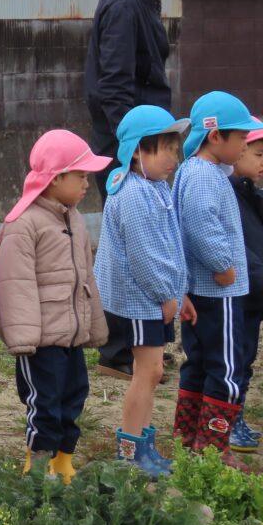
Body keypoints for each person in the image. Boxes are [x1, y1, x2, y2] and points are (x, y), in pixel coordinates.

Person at [85, 0, 186, 381]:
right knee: (127, 248)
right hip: (128, 147)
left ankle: (141, 346)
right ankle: (119, 351)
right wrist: (135, 152)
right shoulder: (126, 2)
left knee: (139, 242)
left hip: (142, 145)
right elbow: (114, 84)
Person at [0, 130, 110, 483]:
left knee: (74, 397)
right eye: (81, 176)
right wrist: (23, 338)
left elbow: (86, 278)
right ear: (56, 177)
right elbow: (13, 284)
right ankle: (38, 468)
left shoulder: (74, 219)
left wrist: (94, 326)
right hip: (41, 338)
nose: (86, 183)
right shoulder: (24, 223)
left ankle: (63, 462)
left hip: (71, 334)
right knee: (45, 402)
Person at [93, 106, 193, 477]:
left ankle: (144, 447)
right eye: (166, 149)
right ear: (137, 151)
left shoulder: (152, 186)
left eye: (175, 149)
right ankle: (131, 451)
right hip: (140, 299)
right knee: (147, 372)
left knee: (149, 372)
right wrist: (166, 294)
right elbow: (144, 255)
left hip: (152, 297)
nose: (174, 158)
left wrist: (178, 292)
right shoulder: (134, 195)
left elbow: (168, 245)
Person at [172, 91, 263, 471]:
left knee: (198, 363)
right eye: (240, 137)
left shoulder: (198, 171)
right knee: (226, 368)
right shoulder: (204, 176)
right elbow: (201, 224)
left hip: (202, 291)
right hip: (219, 291)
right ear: (215, 136)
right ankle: (213, 446)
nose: (244, 144)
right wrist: (223, 265)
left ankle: (188, 435)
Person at [229, 118, 263, 453]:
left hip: (253, 295)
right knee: (235, 360)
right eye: (258, 154)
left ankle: (236, 417)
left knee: (247, 358)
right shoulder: (228, 194)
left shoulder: (249, 192)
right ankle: (227, 422)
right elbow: (243, 251)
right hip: (241, 293)